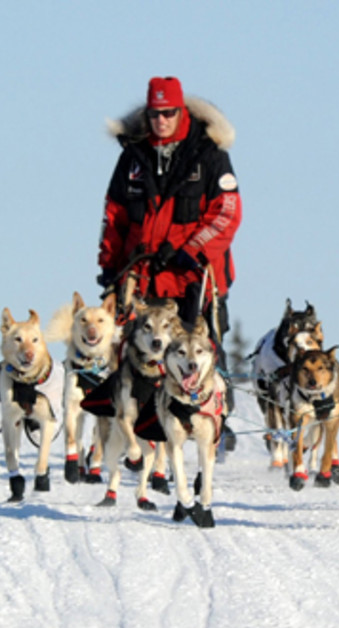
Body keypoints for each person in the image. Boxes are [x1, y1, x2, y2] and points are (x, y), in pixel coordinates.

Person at [97, 76, 242, 445]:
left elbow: (226, 213)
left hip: (195, 277)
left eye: (168, 113)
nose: (161, 120)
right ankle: (148, 435)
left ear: (181, 112)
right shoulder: (133, 157)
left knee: (201, 352)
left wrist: (190, 250)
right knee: (142, 355)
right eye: (155, 114)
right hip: (145, 279)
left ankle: (215, 419)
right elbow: (114, 216)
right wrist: (110, 269)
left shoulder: (209, 154)